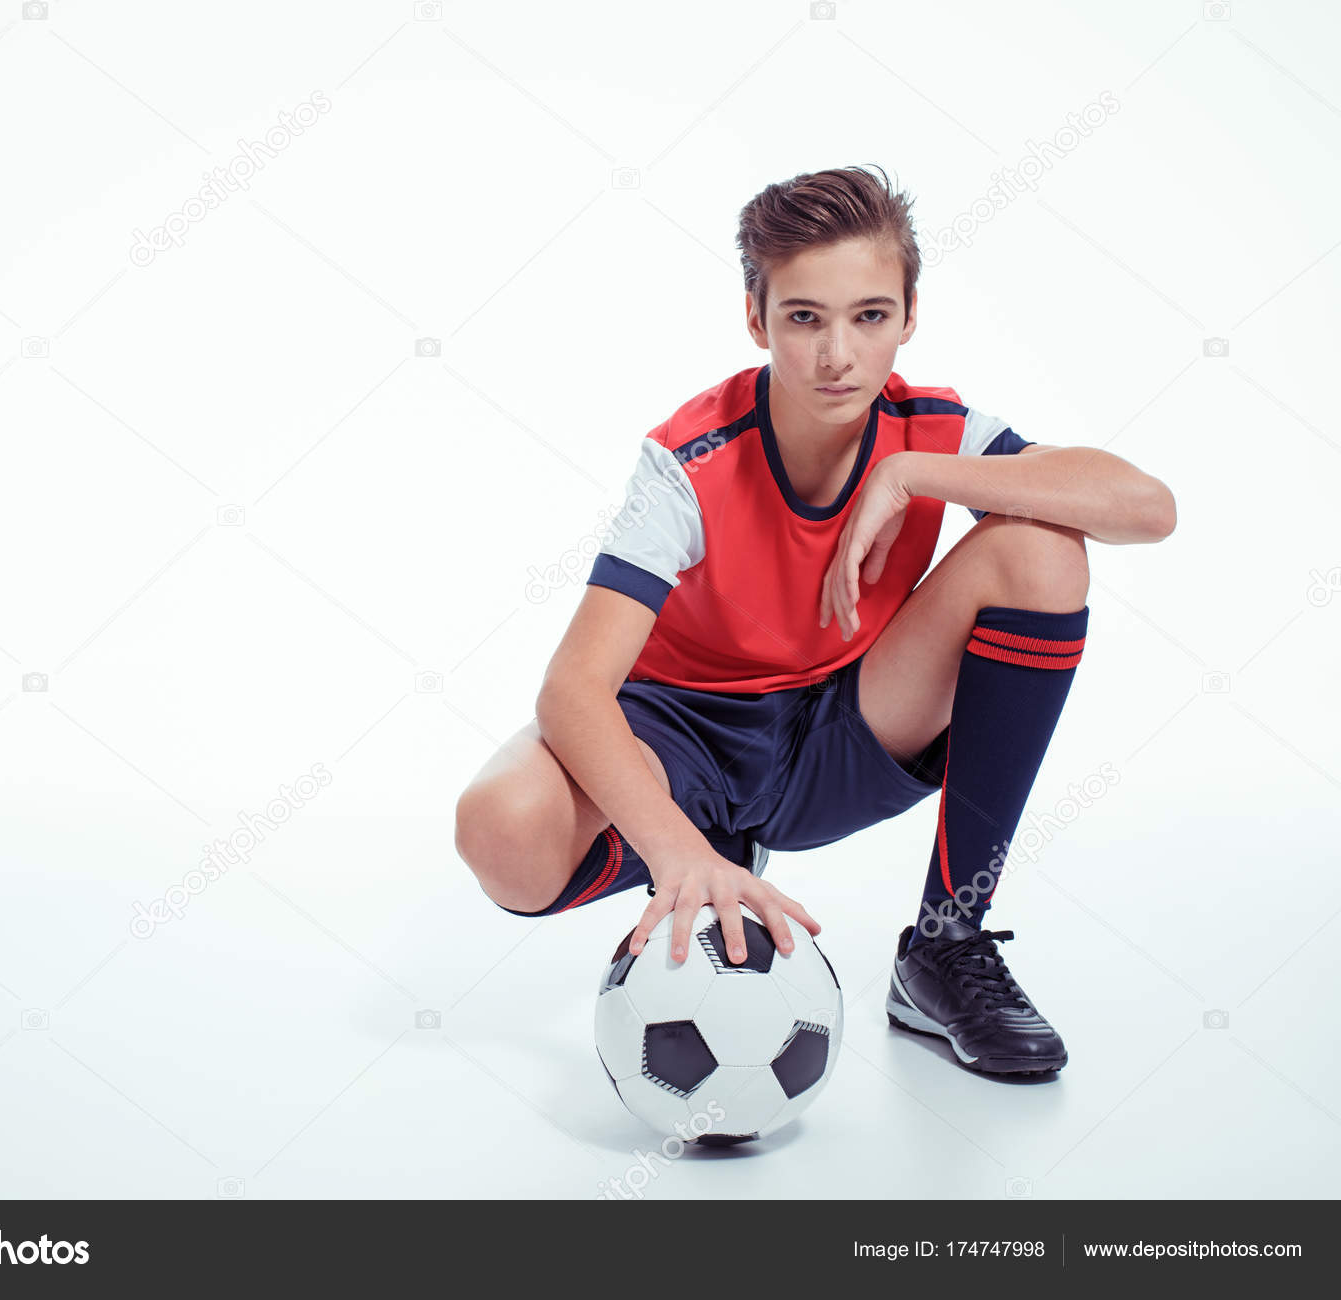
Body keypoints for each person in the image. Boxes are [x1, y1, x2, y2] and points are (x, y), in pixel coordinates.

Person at [453, 165, 1175, 1076]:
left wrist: (912, 475)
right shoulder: (690, 459)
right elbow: (572, 687)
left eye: (870, 316)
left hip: (839, 731)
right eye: (805, 318)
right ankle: (712, 847)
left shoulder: (931, 427)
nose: (839, 354)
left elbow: (1146, 508)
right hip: (680, 738)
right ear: (756, 320)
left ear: (910, 317)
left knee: (1040, 550)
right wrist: (674, 854)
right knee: (499, 830)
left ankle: (946, 950)